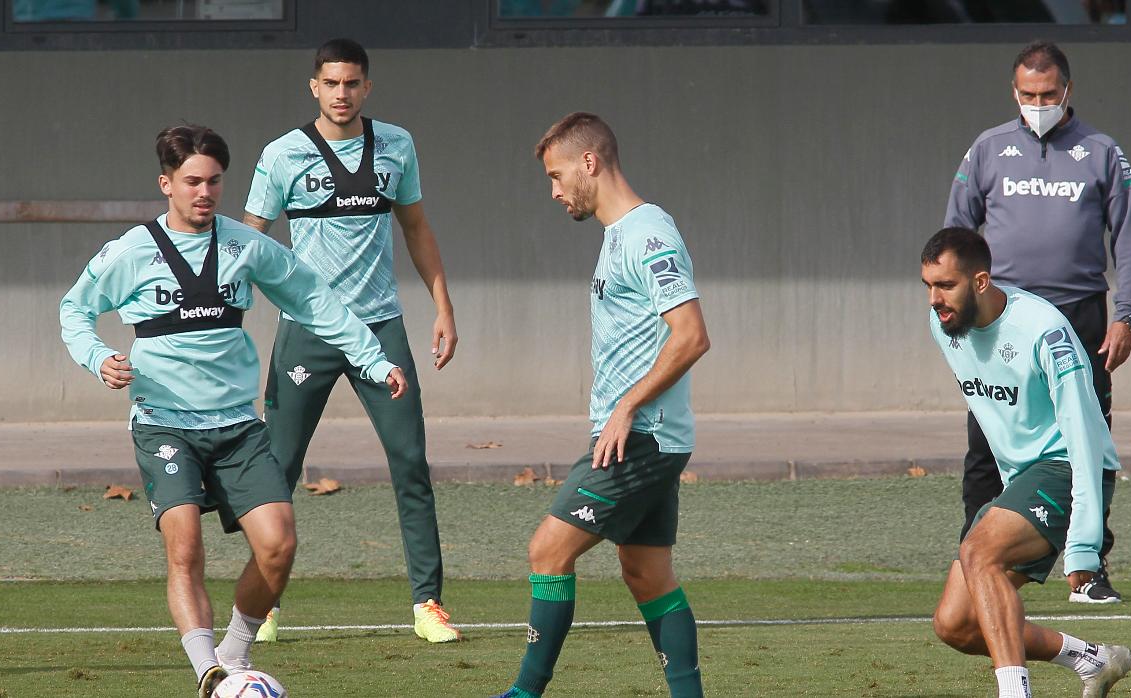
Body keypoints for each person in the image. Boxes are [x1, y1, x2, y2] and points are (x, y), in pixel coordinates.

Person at [59, 125, 406, 697]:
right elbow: (75, 309)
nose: (205, 192)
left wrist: (371, 359)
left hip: (238, 426)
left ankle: (233, 656)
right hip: (164, 423)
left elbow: (314, 300)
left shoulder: (246, 245)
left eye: (214, 180)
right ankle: (208, 674)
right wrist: (98, 357)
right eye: (192, 181)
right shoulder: (132, 251)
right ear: (166, 183)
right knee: (186, 546)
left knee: (278, 545)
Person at [242, 37, 461, 643]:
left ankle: (428, 605)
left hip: (380, 328)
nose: (342, 94)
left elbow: (416, 228)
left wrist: (442, 307)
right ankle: (263, 606)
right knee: (276, 470)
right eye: (331, 83)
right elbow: (248, 238)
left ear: (368, 86)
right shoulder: (282, 156)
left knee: (411, 462)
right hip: (306, 332)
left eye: (352, 83)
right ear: (314, 86)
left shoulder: (397, 145)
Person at [491, 112, 710, 698]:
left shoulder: (648, 234)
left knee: (547, 549)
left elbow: (691, 335)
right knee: (645, 572)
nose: (554, 191)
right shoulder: (620, 235)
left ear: (590, 162)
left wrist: (627, 406)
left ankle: (524, 695)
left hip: (642, 435)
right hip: (635, 432)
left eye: (558, 175)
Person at [944, 39, 1131, 604]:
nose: (1038, 102)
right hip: (1002, 317)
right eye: (1028, 94)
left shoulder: (1103, 151)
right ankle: (973, 558)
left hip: (1079, 314)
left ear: (1067, 91)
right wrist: (957, 302)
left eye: (1048, 93)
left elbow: (1126, 239)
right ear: (1015, 91)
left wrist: (1126, 314)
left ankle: (1089, 566)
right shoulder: (987, 149)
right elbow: (957, 233)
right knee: (986, 438)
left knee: (1088, 440)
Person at [921, 227, 1131, 698]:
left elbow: (1083, 435)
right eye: (929, 287)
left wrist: (1084, 544)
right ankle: (1092, 659)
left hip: (1069, 466)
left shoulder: (1043, 330)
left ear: (980, 281)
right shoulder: (943, 324)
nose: (935, 299)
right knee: (955, 624)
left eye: (946, 285)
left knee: (981, 553)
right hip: (1024, 478)